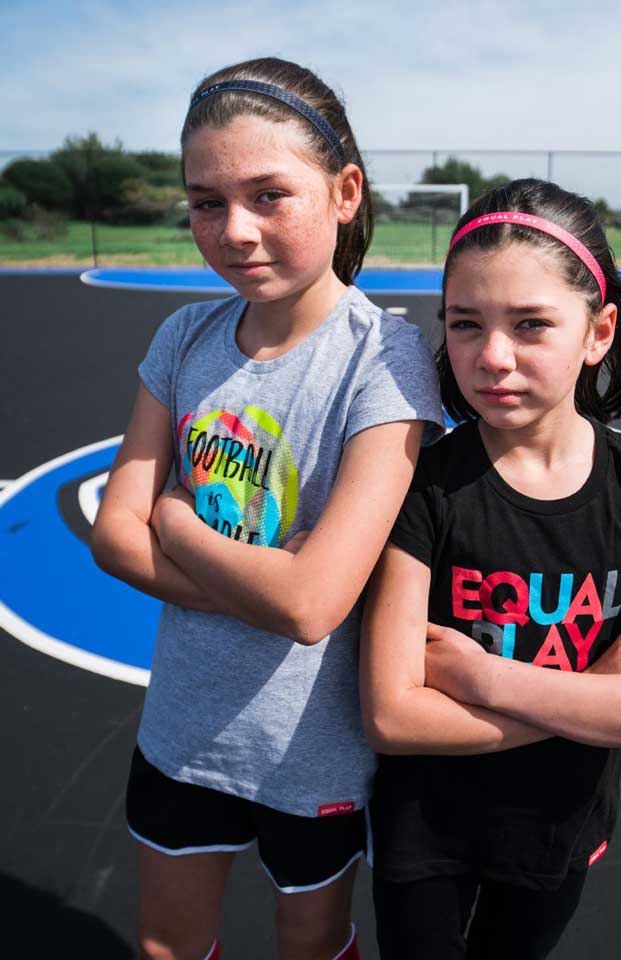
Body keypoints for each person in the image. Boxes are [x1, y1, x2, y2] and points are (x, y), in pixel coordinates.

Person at [91, 57, 443, 960]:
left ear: (345, 192)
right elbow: (109, 539)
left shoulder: (385, 362)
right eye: (206, 202)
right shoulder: (185, 337)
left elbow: (311, 605)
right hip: (184, 727)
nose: (235, 231)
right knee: (166, 942)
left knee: (311, 943)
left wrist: (175, 521)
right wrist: (273, 581)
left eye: (268, 195)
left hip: (313, 747)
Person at [360, 178, 621, 959]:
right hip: (427, 834)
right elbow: (391, 714)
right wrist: (601, 687)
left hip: (560, 825)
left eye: (530, 325)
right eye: (464, 324)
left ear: (598, 331)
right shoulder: (421, 481)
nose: (491, 358)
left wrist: (483, 679)